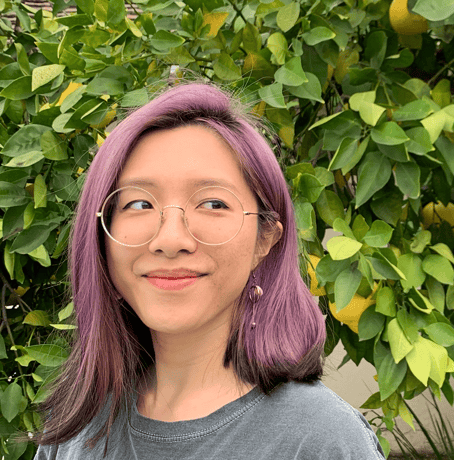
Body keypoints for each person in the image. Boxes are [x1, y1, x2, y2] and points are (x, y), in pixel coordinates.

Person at [32, 81, 386, 459]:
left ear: (264, 239)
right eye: (137, 204)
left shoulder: (321, 439)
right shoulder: (76, 430)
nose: (170, 239)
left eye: (213, 203)